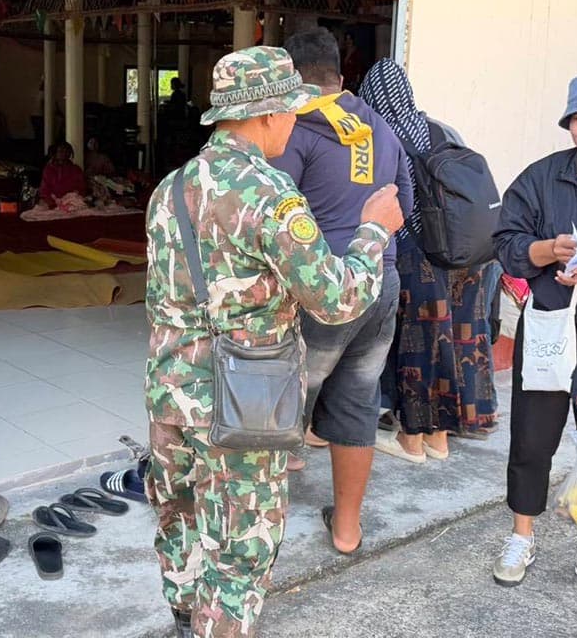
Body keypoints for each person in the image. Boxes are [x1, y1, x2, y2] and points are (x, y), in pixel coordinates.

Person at [145, 46, 403, 638]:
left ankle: (185, 619)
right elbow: (336, 298)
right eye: (290, 111)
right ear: (265, 116)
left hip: (170, 390)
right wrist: (372, 232)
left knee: (180, 518)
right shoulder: (271, 195)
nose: (293, 121)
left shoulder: (169, 189)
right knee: (240, 549)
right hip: (243, 399)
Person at [269, 27, 412, 555]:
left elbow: (274, 214)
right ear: (341, 74)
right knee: (357, 399)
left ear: (289, 79)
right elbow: (406, 208)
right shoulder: (385, 130)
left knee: (284, 395)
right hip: (382, 282)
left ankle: (266, 523)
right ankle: (348, 529)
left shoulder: (294, 130)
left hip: (323, 288)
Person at [490, 70, 577, 586]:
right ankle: (521, 535)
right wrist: (544, 251)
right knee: (532, 437)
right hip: (550, 326)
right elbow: (504, 241)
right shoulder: (543, 177)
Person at [358, 59, 497, 463]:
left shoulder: (381, 137)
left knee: (419, 348)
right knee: (457, 342)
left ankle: (413, 440)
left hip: (420, 256)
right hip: (466, 255)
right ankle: (442, 438)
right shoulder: (441, 129)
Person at [38, 140, 87, 206]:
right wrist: (51, 201)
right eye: (61, 151)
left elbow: (81, 188)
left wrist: (72, 198)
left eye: (67, 151)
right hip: (52, 202)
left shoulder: (76, 169)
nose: (64, 153)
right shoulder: (48, 169)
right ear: (55, 153)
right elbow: (44, 189)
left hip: (72, 202)